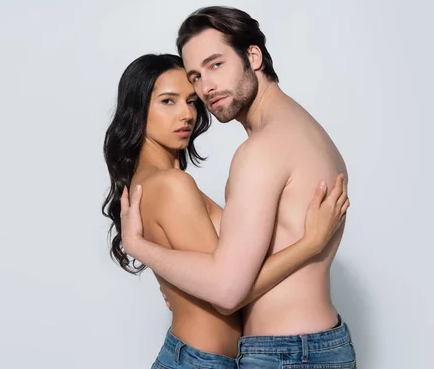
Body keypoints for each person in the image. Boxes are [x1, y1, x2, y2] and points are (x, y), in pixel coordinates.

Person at [103, 53, 349, 369]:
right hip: (199, 361)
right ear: (137, 112)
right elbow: (227, 294)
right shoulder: (172, 184)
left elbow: (217, 274)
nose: (186, 114)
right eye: (168, 101)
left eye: (191, 101)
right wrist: (310, 245)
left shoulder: (149, 181)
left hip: (195, 357)